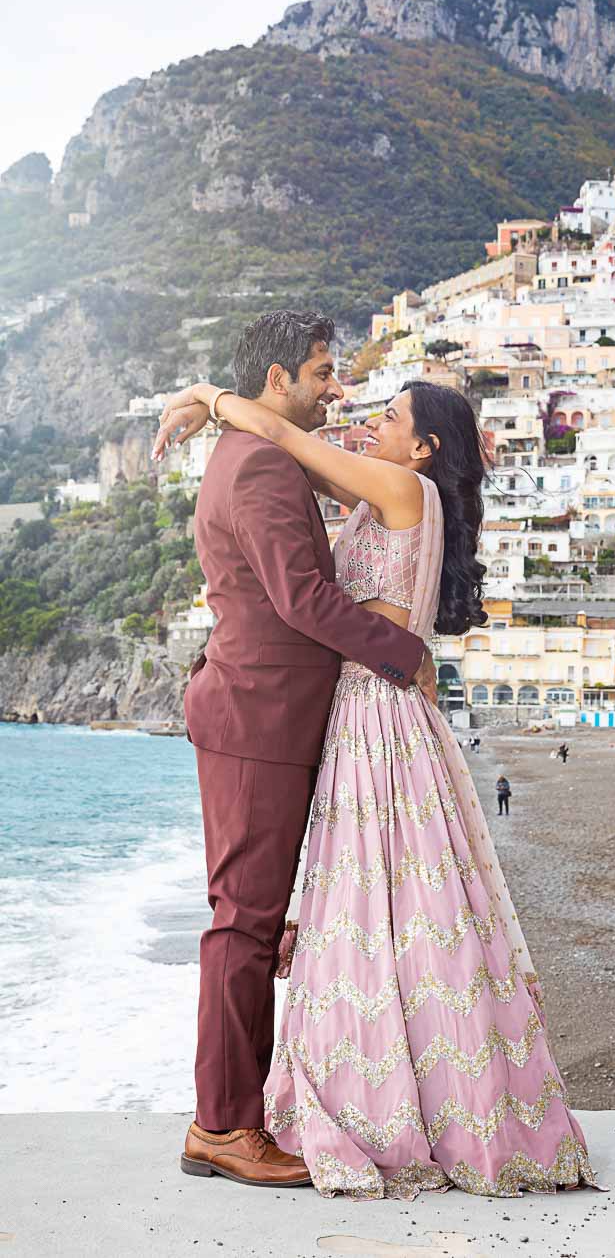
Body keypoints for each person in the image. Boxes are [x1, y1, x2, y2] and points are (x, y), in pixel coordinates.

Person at [154, 364, 598, 1201]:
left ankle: (383, 1102)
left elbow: (286, 439)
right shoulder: (390, 493)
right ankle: (412, 1098)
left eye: (390, 417)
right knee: (390, 914)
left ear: (423, 448)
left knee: (375, 912)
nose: (372, 421)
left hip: (374, 714)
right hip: (366, 711)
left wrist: (206, 399)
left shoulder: (400, 487)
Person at [152, 311, 436, 1189]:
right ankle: (223, 1127)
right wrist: (407, 656)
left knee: (255, 921)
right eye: (320, 373)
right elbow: (304, 599)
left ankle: (243, 1111)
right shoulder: (267, 466)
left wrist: (210, 396)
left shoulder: (250, 451)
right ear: (277, 380)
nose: (334, 388)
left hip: (261, 711)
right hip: (258, 717)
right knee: (244, 923)